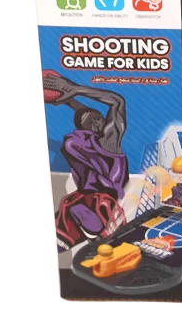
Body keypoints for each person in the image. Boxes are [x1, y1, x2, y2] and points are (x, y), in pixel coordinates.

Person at [43, 71, 130, 250]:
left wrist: (69, 95)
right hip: (99, 202)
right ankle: (95, 233)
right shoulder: (106, 142)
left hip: (89, 200)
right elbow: (117, 102)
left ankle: (93, 233)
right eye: (100, 118)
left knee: (68, 222)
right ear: (96, 124)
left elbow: (86, 112)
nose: (103, 119)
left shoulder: (79, 142)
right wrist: (74, 89)